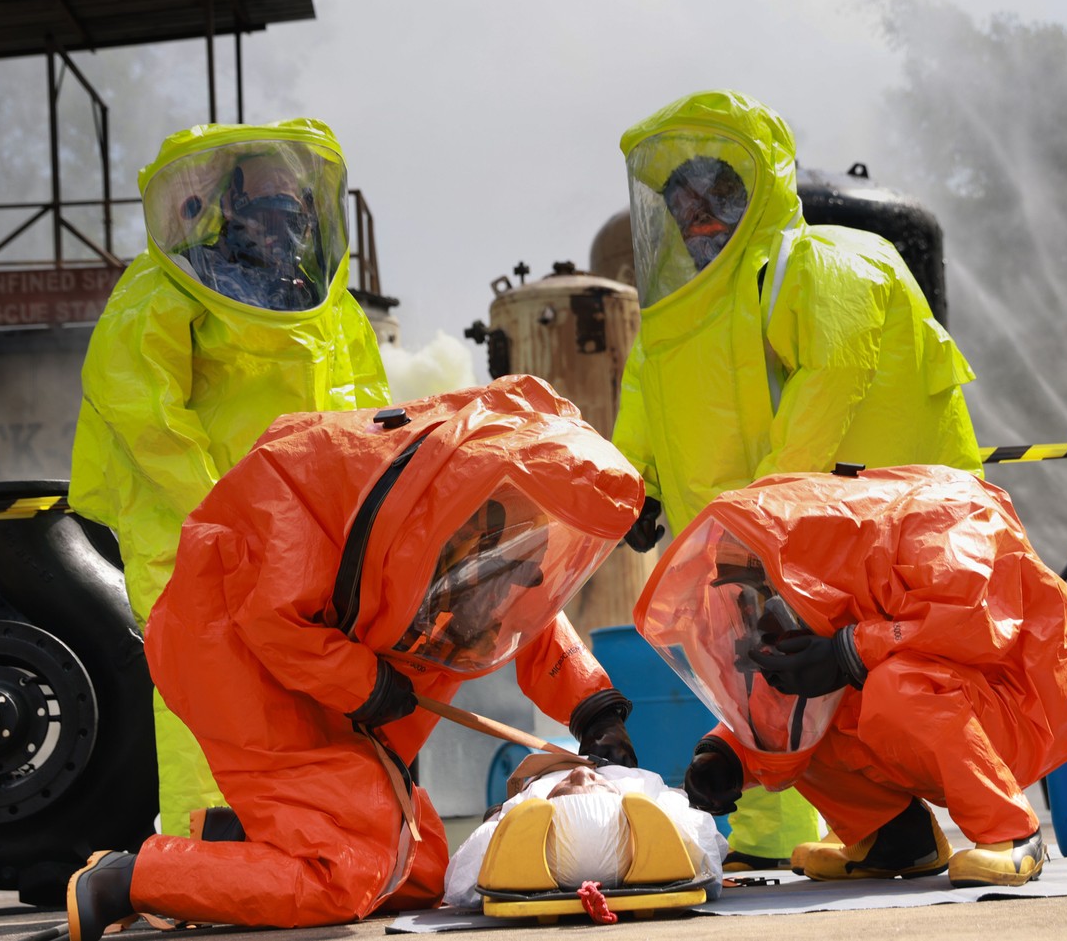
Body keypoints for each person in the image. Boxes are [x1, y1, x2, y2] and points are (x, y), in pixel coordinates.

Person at [65, 377, 644, 939]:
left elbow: (516, 609)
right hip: (235, 659)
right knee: (340, 877)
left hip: (328, 672)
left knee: (420, 869)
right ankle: (130, 879)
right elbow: (270, 617)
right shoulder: (324, 490)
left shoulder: (481, 504)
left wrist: (593, 707)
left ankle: (245, 844)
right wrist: (365, 684)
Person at [610, 90, 983, 868]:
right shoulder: (677, 316)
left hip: (848, 535)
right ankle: (812, 836)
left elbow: (833, 376)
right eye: (681, 199)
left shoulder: (820, 265)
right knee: (768, 682)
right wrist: (635, 485)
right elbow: (646, 393)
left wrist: (766, 513)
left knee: (858, 686)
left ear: (756, 189)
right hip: (752, 537)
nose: (696, 213)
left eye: (716, 192)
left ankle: (988, 819)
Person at [69, 118, 391, 837]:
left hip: (294, 531)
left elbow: (365, 414)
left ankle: (303, 846)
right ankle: (207, 850)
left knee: (300, 684)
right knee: (207, 682)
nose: (280, 217)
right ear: (229, 201)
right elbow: (142, 413)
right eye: (264, 198)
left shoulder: (326, 305)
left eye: (291, 199)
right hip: (188, 526)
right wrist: (220, 510)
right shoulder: (166, 286)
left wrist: (358, 515)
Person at [637, 465, 1067, 888]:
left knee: (894, 686)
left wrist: (849, 650)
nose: (755, 612)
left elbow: (973, 624)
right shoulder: (825, 574)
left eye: (758, 593)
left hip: (1031, 698)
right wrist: (729, 755)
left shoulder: (938, 514)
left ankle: (1010, 833)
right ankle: (895, 840)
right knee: (810, 701)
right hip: (951, 695)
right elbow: (786, 705)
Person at [442, 761, 727, 910]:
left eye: (564, 787)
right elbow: (709, 859)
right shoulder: (648, 795)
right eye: (597, 784)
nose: (579, 771)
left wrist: (499, 821)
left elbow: (461, 883)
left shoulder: (522, 809)